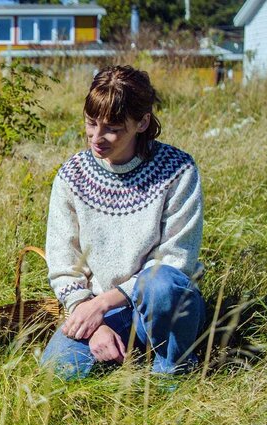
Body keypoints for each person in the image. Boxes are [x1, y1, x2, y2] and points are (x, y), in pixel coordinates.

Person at [40, 65, 206, 379]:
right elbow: (64, 262)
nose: (97, 137)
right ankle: (126, 352)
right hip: (101, 309)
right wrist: (93, 322)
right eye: (91, 123)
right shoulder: (72, 175)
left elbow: (176, 262)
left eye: (113, 128)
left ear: (142, 122)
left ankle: (172, 369)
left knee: (162, 285)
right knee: (56, 371)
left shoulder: (177, 171)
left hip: (164, 304)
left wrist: (102, 304)